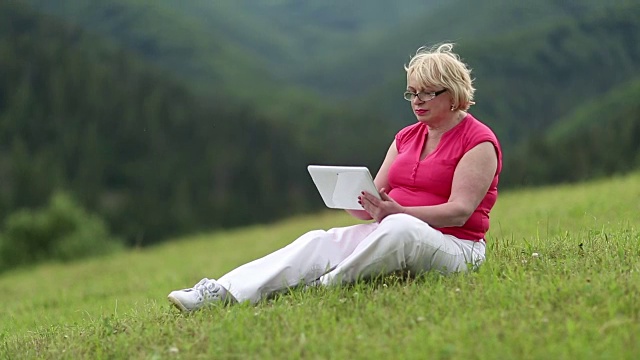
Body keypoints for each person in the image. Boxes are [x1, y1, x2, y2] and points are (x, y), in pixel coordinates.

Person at [167, 43, 502, 312]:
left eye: (427, 93)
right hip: (391, 229)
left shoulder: (478, 141)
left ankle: (322, 288)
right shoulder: (406, 137)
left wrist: (399, 213)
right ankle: (222, 291)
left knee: (402, 229)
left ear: (453, 93)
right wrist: (361, 201)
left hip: (457, 247)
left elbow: (459, 211)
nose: (417, 101)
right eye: (412, 93)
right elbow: (379, 194)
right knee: (319, 239)